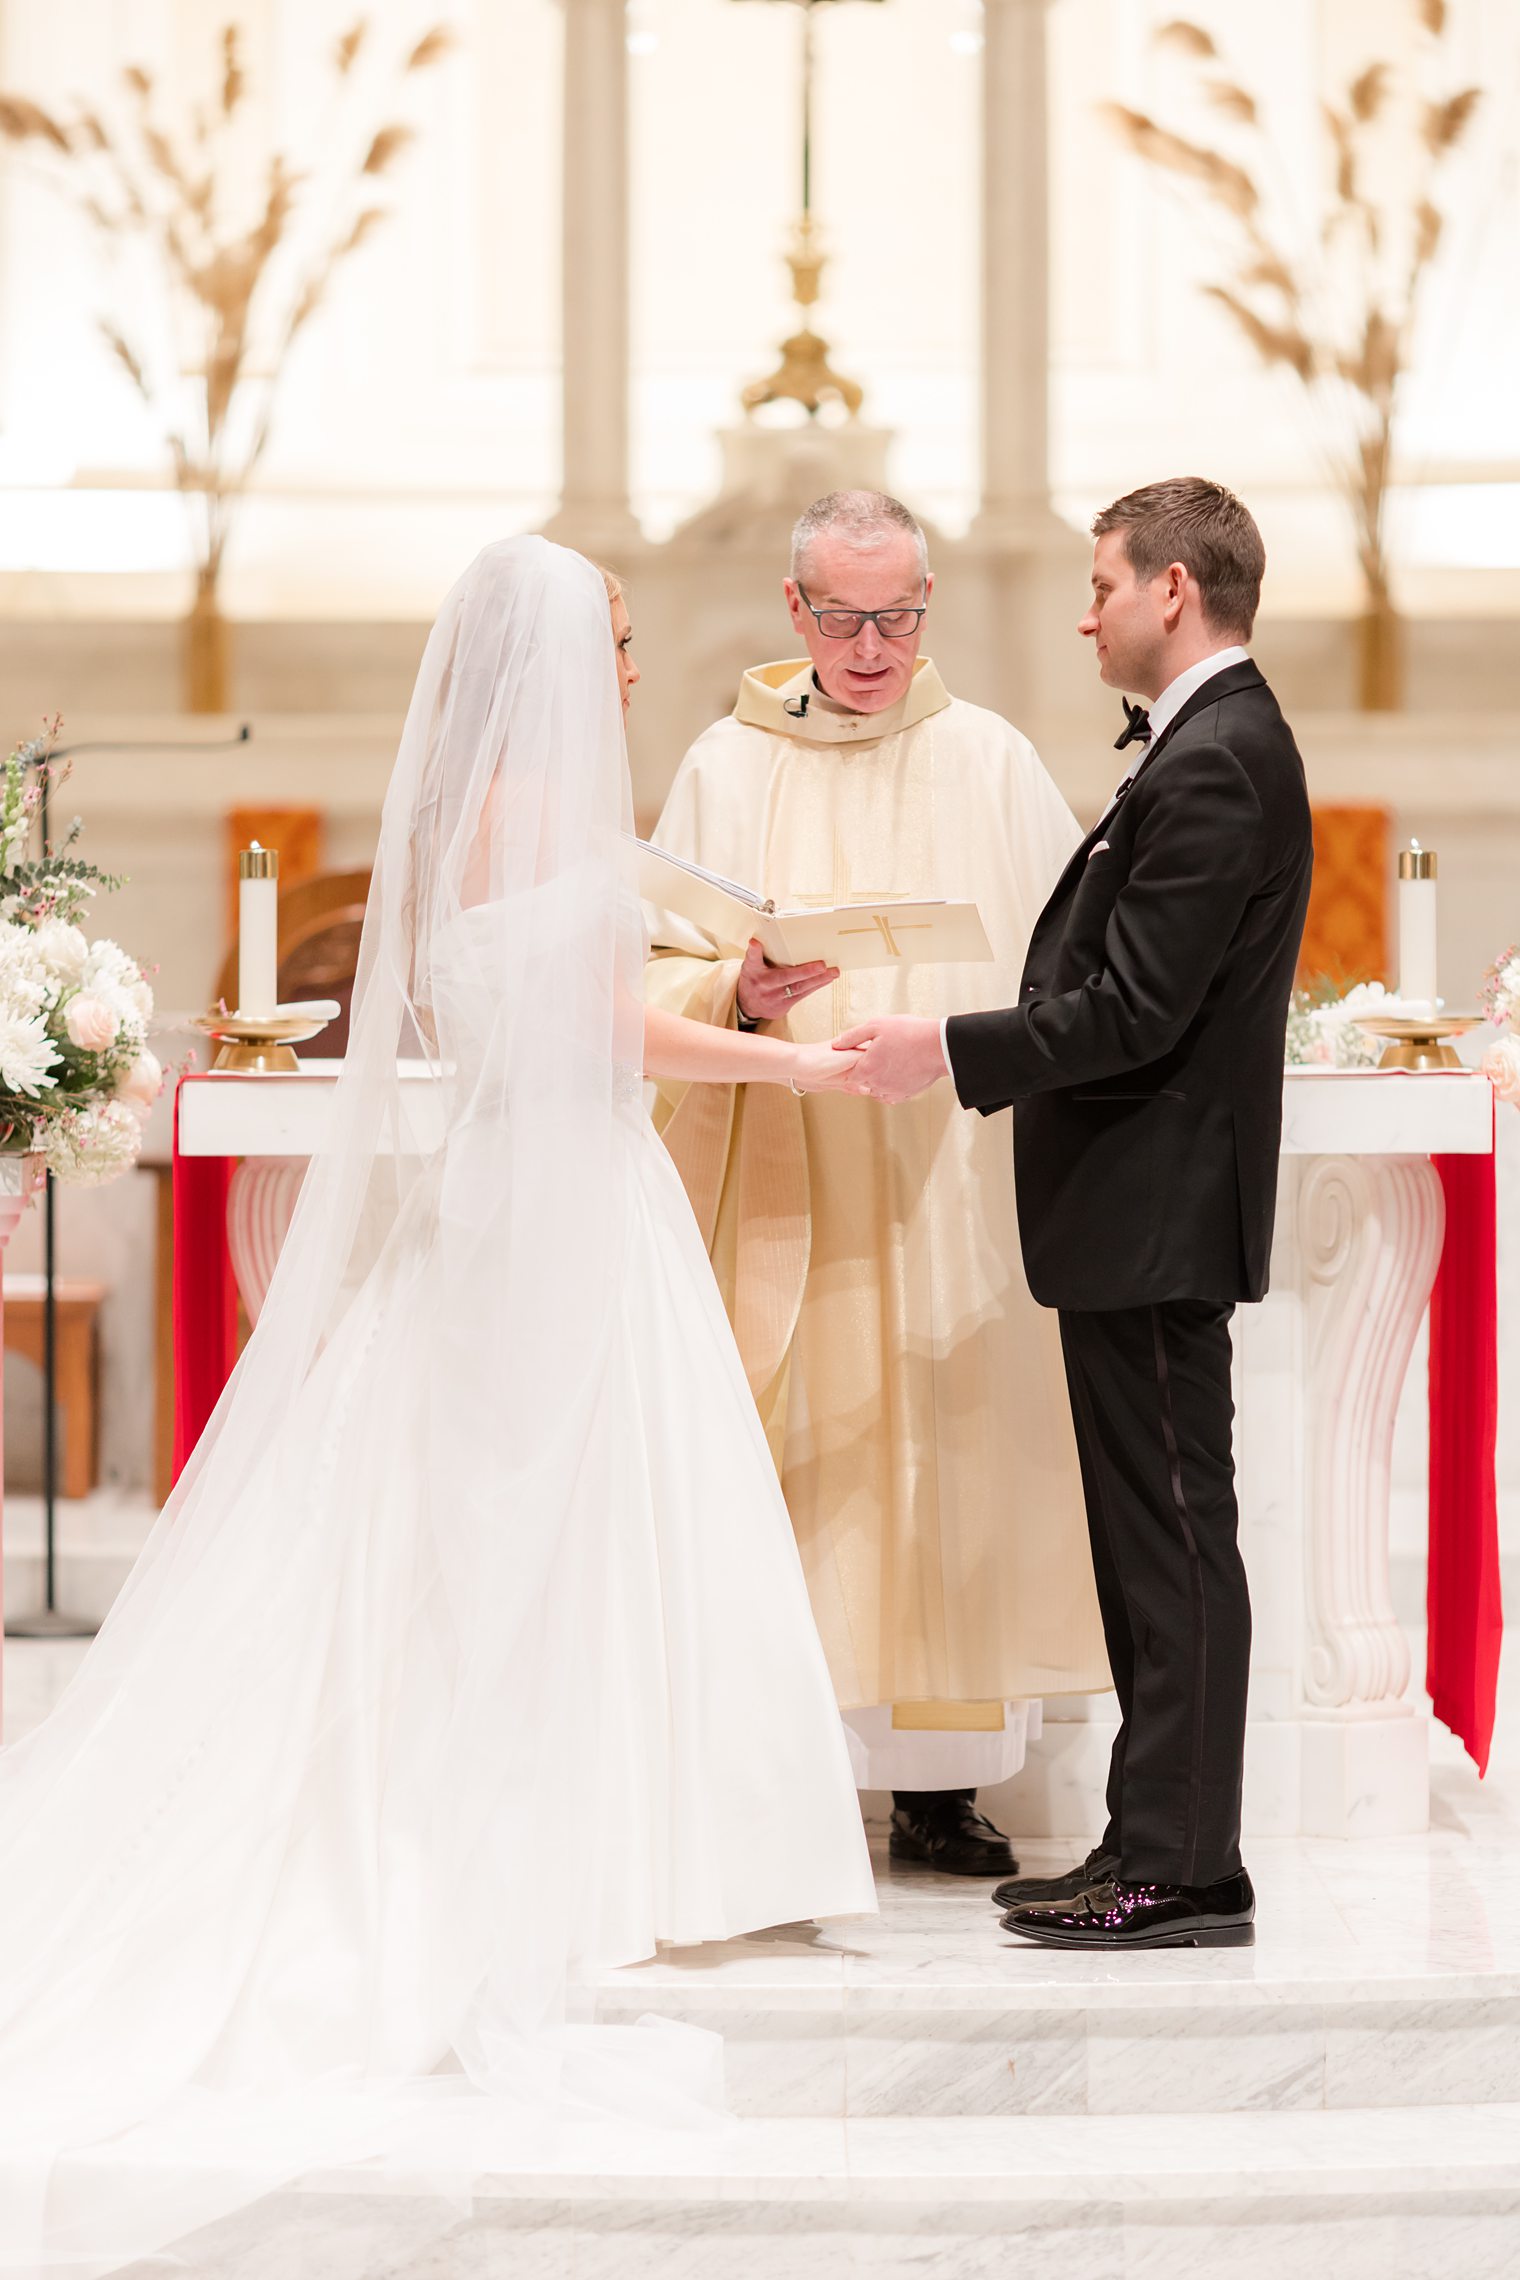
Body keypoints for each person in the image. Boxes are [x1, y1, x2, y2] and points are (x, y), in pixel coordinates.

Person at [0, 538, 877, 2277]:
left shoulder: (476, 810)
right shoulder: (536, 817)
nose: (628, 669)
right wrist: (786, 1054)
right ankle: (558, 1840)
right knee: (536, 1515)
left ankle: (588, 1825)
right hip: (564, 1206)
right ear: (551, 656)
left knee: (501, 1513)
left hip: (533, 1194)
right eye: (614, 642)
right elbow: (600, 1025)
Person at [838, 478, 1313, 1949]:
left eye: (1103, 581)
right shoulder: (1206, 746)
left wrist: (948, 1048)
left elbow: (1137, 1007)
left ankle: (1177, 1864)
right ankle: (1161, 1840)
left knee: (1171, 1536)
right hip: (1142, 1210)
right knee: (1153, 1538)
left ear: (1174, 589)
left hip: (1158, 1210)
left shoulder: (1222, 757)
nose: (1086, 609)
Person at [645, 490, 1107, 1878]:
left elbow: (1064, 968)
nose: (870, 646)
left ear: (927, 607)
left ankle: (936, 1789)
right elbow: (658, 964)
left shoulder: (992, 760)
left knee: (942, 1454)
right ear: (795, 612)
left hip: (949, 1172)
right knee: (805, 1454)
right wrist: (738, 979)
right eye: (843, 617)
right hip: (789, 1166)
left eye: (897, 615)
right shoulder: (725, 765)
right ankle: (775, 1776)